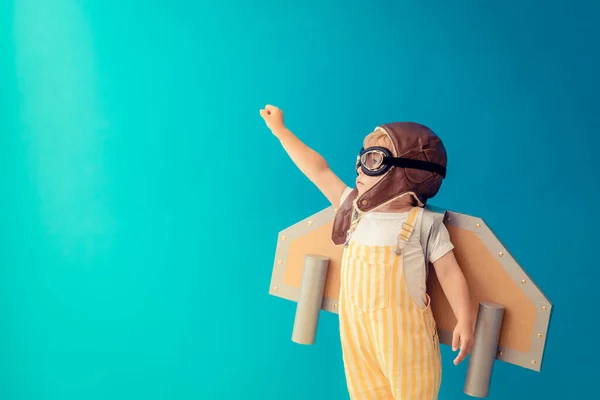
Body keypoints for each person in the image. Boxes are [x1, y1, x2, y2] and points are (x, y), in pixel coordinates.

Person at [260, 104, 475, 400]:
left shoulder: (423, 223)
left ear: (408, 173)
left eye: (373, 160)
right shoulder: (353, 209)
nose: (359, 168)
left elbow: (450, 273)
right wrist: (281, 132)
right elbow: (318, 170)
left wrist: (465, 318)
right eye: (361, 158)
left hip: (406, 342)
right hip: (356, 335)